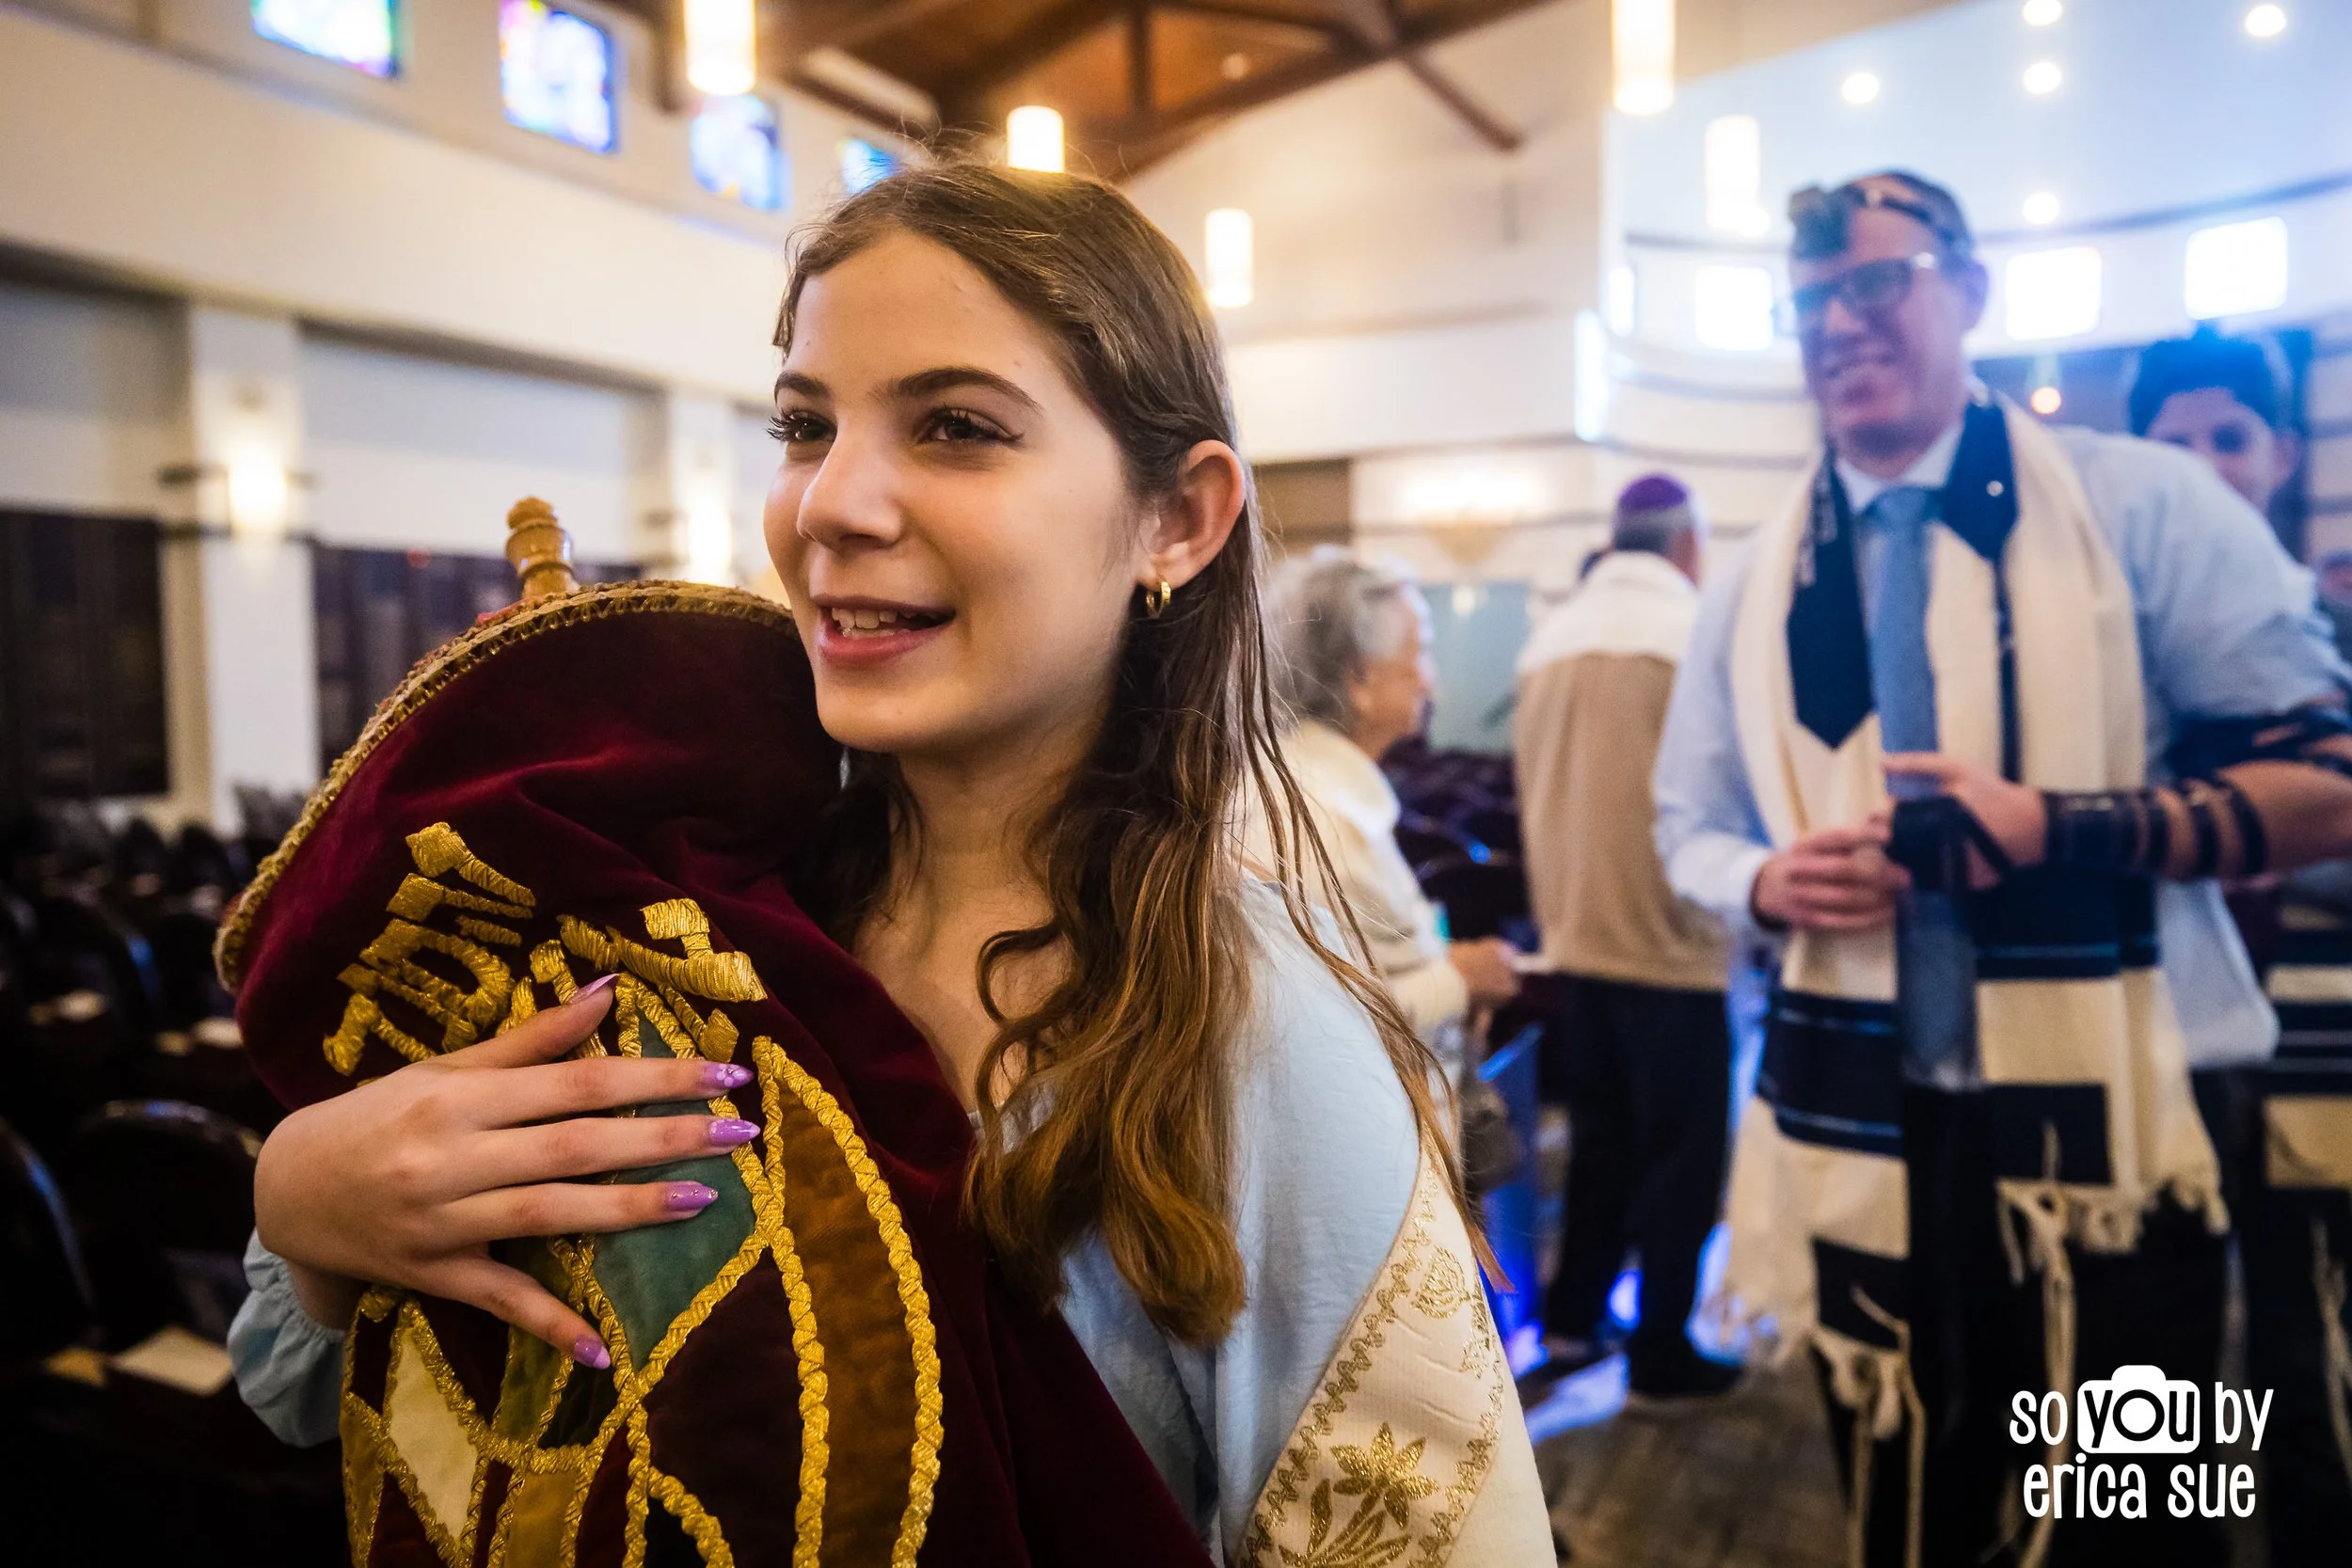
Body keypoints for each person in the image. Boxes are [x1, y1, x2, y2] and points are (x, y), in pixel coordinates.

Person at [225, 165, 1551, 1564]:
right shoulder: (694, 902)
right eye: (805, 424)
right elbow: (309, 1385)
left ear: (1178, 518)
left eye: (958, 426)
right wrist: (307, 1205)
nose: (830, 504)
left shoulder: (1269, 1046)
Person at [1656, 168, 2352, 1568]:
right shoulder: (1752, 576)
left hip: (2126, 1112)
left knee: (2134, 1520)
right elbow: (1691, 829)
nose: (1838, 323)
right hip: (1867, 1109)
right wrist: (1771, 883)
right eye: (1808, 302)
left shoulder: (2136, 507)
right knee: (1910, 1485)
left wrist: (2061, 826)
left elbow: (2326, 785)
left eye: (1874, 283)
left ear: (1967, 291)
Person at [2130, 330, 2352, 1568]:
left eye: (2230, 437)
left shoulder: (2327, 627)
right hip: (2157, 1043)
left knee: (2303, 1328)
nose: (2205, 465)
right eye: (2175, 441)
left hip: (2318, 1051)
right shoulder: (2117, 651)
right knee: (2147, 1360)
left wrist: (2266, 837)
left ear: (2280, 453)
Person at [1510, 474, 1737, 1402]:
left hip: (1575, 935)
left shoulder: (1548, 639)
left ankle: (1568, 1321)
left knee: (1600, 1139)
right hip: (1672, 940)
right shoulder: (1693, 633)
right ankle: (1661, 1345)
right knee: (1682, 1155)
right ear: (1686, 544)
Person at [1257, 547, 1520, 1085]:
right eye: (1419, 652)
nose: (1430, 682)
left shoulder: (1325, 792)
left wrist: (1436, 961)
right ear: (1360, 679)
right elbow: (1315, 1033)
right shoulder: (1321, 819)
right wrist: (1459, 980)